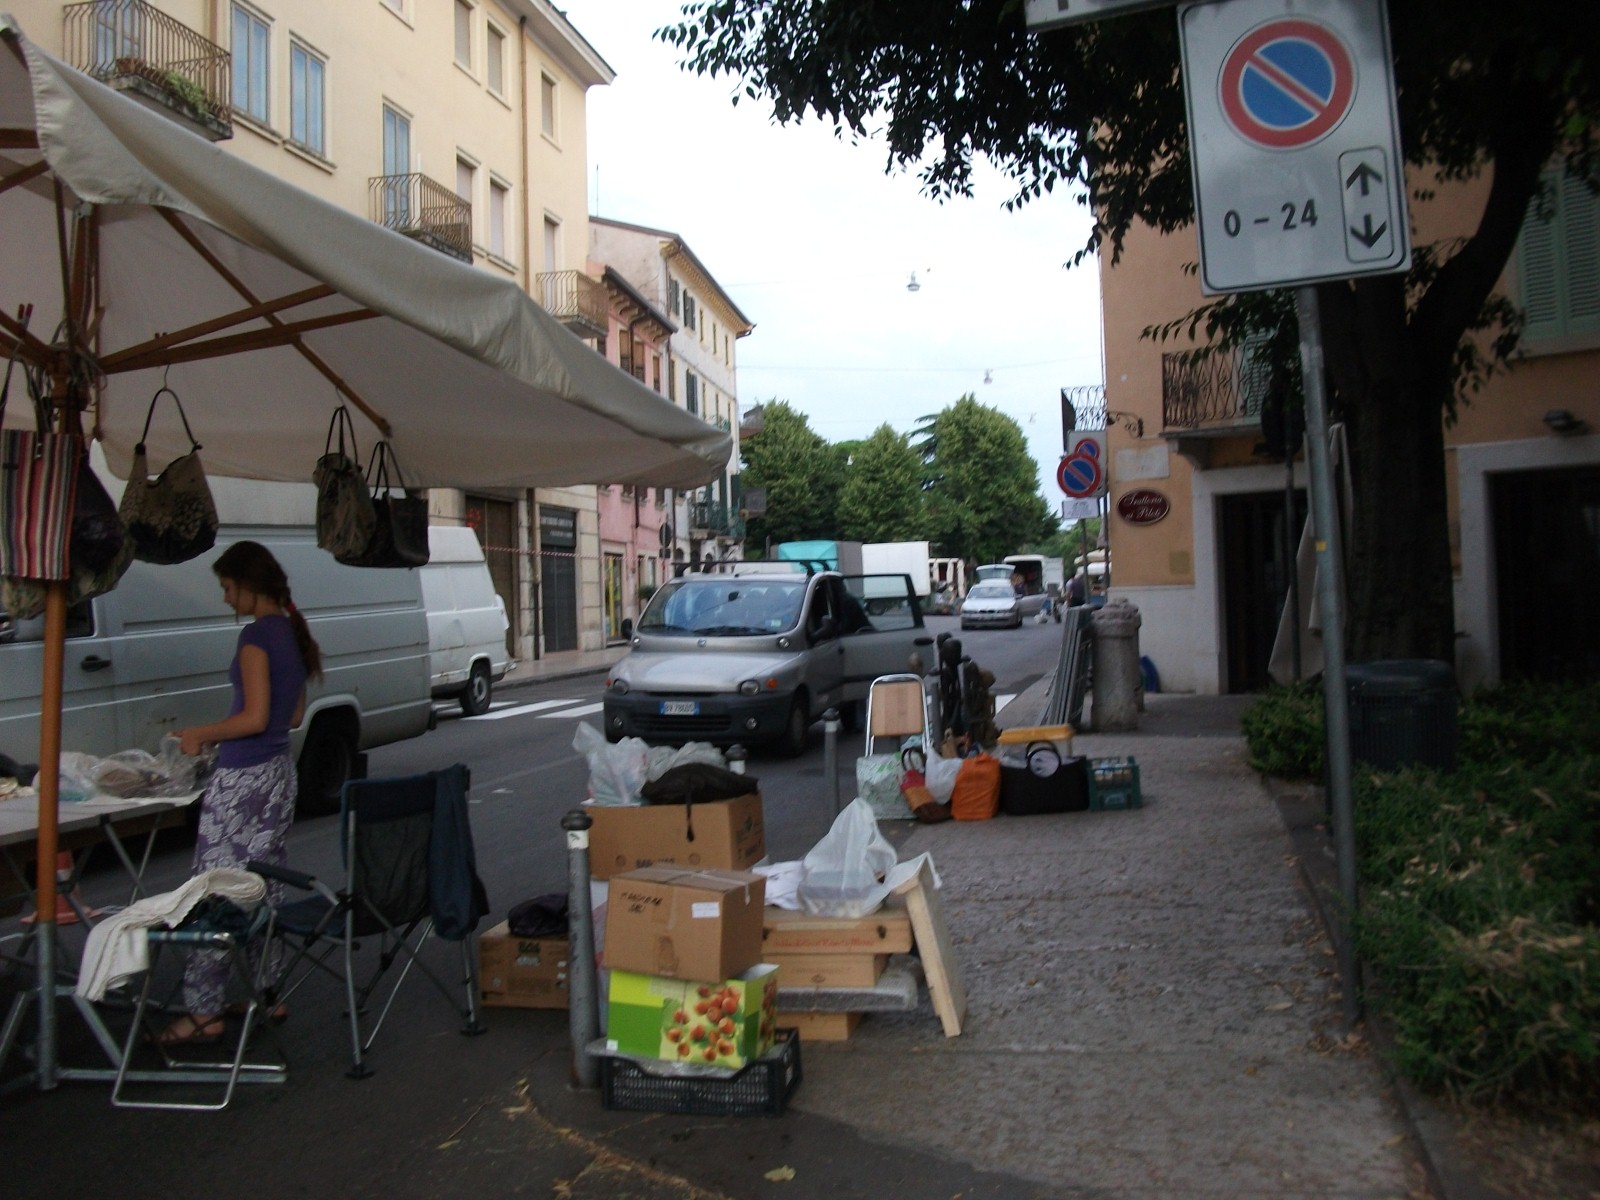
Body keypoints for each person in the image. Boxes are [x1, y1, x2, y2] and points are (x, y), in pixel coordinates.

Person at [158, 541, 322, 1046]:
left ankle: (204, 1009)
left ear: (250, 585)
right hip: (277, 773)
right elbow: (291, 717)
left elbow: (252, 717)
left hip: (242, 777)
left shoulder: (256, 636)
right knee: (262, 885)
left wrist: (200, 734)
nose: (227, 599)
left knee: (214, 889)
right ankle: (265, 992)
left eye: (229, 588)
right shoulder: (292, 633)